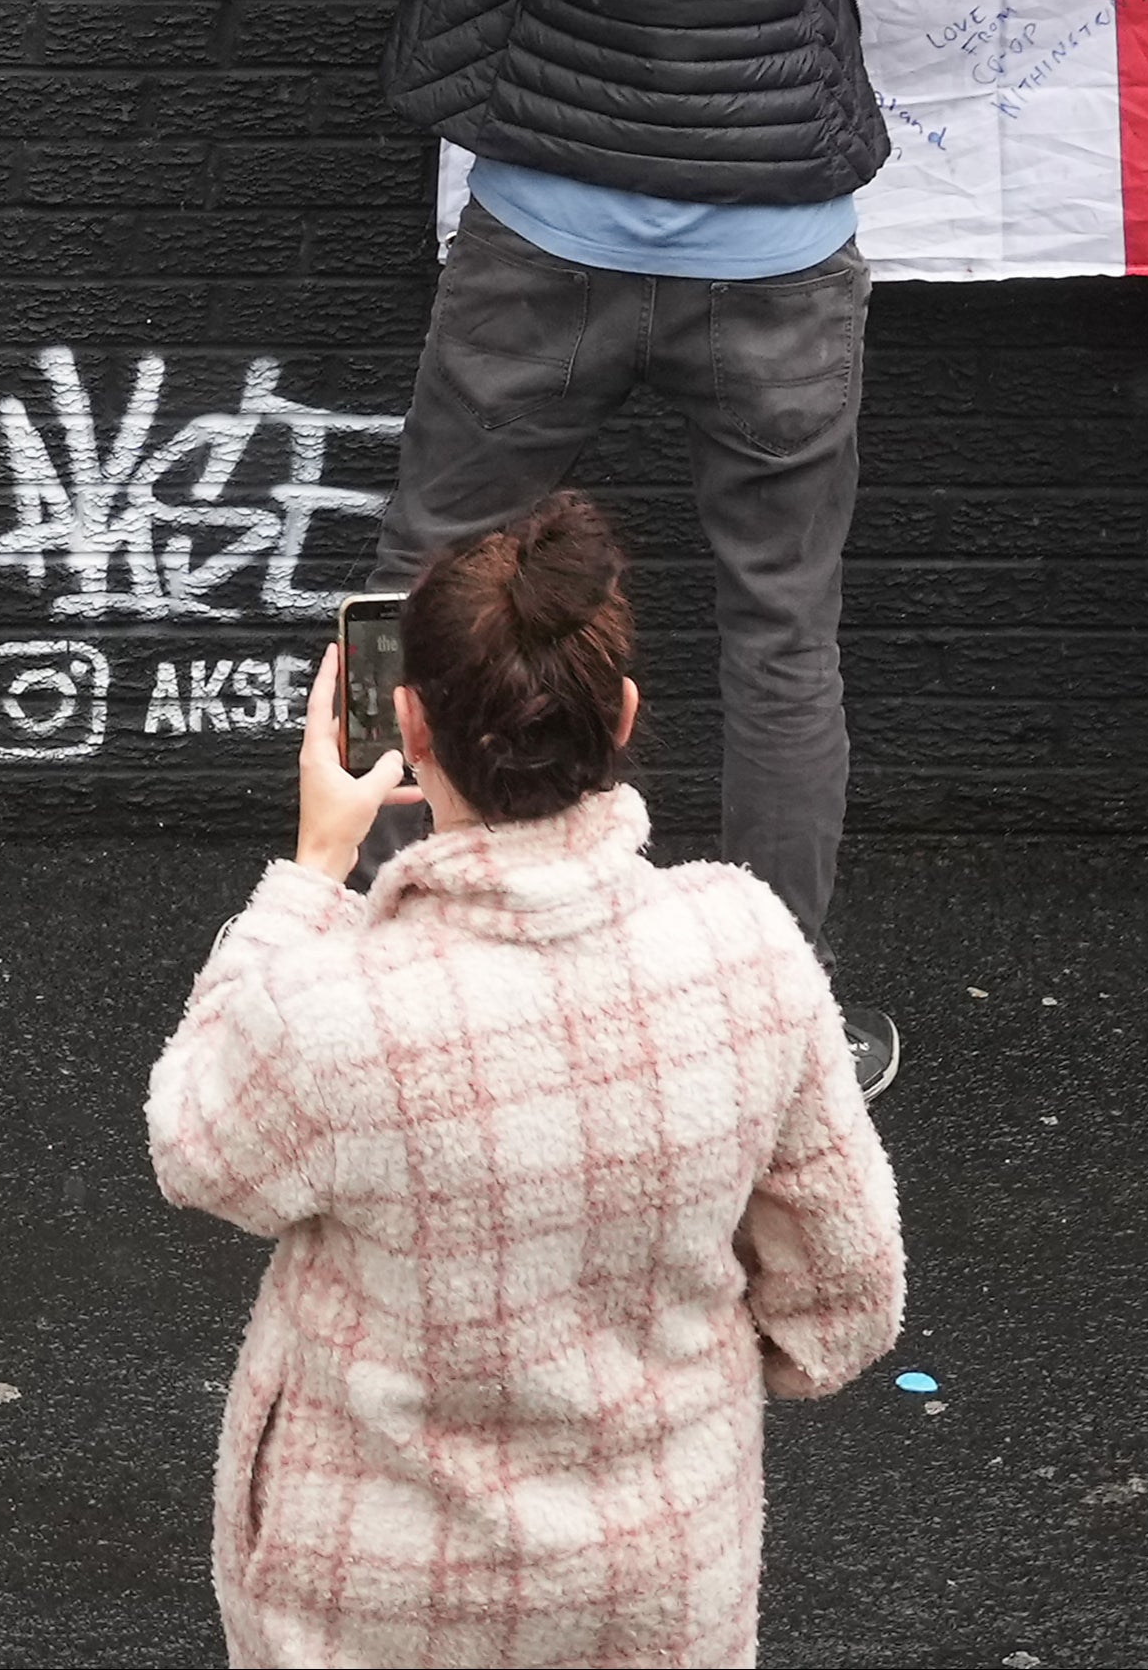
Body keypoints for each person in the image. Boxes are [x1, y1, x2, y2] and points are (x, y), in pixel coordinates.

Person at [297, 0, 930, 1089]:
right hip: (781, 247)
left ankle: (392, 963)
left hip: (548, 228)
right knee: (777, 632)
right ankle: (783, 1022)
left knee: (420, 579)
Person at [145, 490, 904, 1670]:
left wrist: (310, 874)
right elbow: (841, 1304)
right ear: (625, 718)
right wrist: (658, 1383)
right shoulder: (747, 946)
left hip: (369, 1600)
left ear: (411, 726)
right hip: (661, 1583)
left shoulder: (337, 1007)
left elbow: (196, 1147)